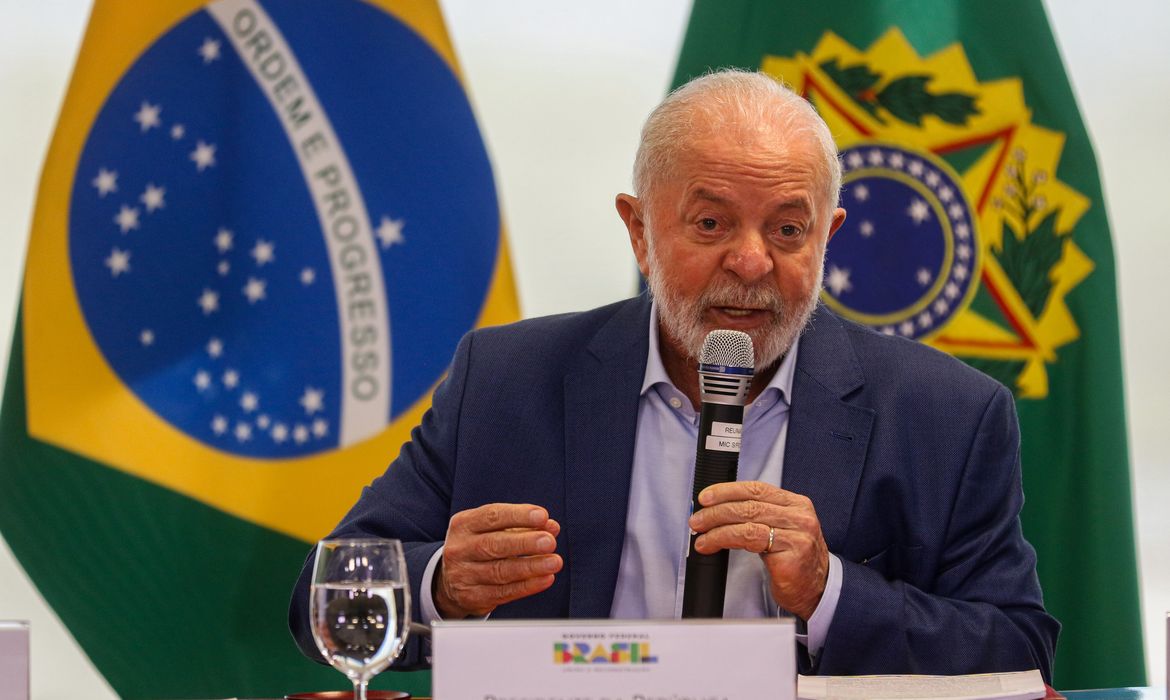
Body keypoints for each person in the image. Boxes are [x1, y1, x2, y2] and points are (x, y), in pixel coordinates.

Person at [289, 69, 1059, 680]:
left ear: (828, 240)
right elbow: (322, 607)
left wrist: (830, 594)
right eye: (711, 223)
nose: (752, 262)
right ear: (639, 231)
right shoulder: (506, 380)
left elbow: (1018, 647)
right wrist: (442, 587)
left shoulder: (947, 415)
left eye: (788, 230)